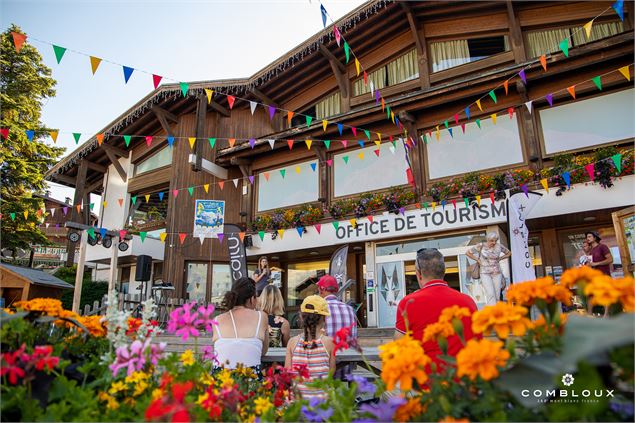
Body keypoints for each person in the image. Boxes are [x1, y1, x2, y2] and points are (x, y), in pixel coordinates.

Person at [395, 248, 479, 372]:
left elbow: (399, 345)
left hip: (429, 382)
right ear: (443, 272)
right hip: (466, 380)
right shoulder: (468, 301)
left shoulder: (408, 303)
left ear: (419, 273)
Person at [212, 277, 269, 372]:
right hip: (250, 380)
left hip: (221, 381)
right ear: (251, 299)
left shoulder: (217, 320)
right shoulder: (261, 317)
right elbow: (263, 351)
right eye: (256, 297)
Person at [285, 295, 335, 400]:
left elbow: (287, 373)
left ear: (301, 317)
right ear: (324, 318)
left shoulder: (292, 342)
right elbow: (331, 372)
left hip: (297, 403)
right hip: (322, 403)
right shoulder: (329, 343)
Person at [466, 232, 511, 305]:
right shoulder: (481, 246)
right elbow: (468, 253)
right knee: (490, 294)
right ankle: (491, 312)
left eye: (495, 240)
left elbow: (509, 253)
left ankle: (497, 311)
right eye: (492, 240)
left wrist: (500, 258)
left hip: (497, 273)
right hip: (485, 273)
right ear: (488, 239)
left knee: (497, 294)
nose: (494, 242)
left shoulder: (499, 246)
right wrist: (477, 259)